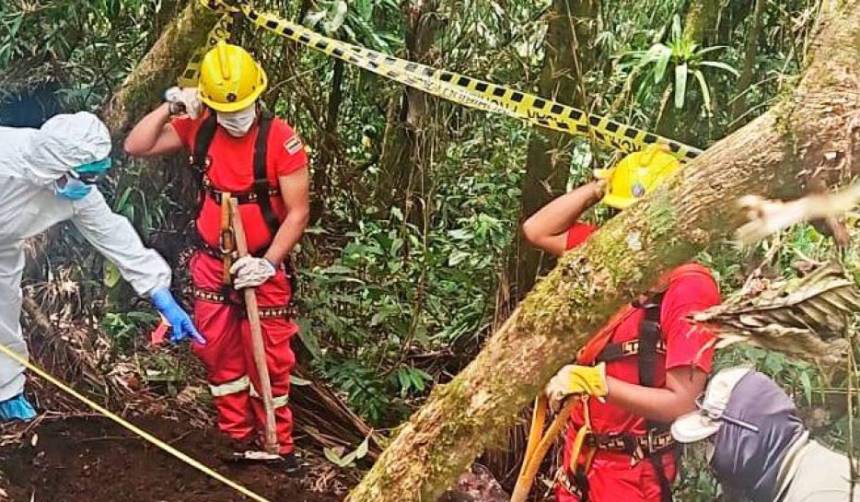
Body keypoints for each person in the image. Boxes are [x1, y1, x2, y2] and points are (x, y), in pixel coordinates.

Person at [124, 42, 310, 471]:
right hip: (212, 262)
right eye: (228, 108)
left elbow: (298, 211)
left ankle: (277, 445)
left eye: (243, 106)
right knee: (218, 353)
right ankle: (235, 439)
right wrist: (171, 106)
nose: (237, 116)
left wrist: (269, 263)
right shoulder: (202, 126)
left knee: (268, 353)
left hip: (263, 263)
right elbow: (136, 146)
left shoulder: (280, 140)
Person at [522, 145, 721, 502]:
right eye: (623, 217)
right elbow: (538, 230)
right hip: (580, 457)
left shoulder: (689, 289)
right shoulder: (613, 255)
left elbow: (682, 403)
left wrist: (597, 383)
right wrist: (599, 188)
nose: (634, 231)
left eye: (645, 220)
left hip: (632, 472)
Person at [0, 112, 203, 421]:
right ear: (57, 168)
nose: (93, 185)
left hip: (4, 245)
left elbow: (116, 237)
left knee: (3, 312)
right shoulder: (5, 159)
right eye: (88, 176)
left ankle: (7, 393)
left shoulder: (77, 194)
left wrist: (161, 295)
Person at [672, 366, 859, 501]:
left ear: (747, 437)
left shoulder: (821, 494)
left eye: (713, 440)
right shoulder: (808, 468)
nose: (709, 459)